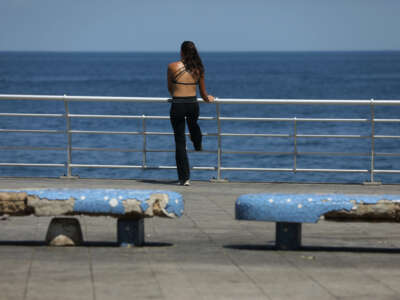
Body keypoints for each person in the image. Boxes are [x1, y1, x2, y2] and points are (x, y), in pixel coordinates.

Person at [167, 41, 214, 186]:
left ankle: (184, 178)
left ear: (181, 52)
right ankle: (197, 142)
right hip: (193, 104)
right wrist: (209, 98)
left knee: (180, 142)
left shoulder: (172, 66)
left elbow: (170, 88)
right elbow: (204, 94)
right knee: (193, 124)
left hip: (178, 105)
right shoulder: (198, 69)